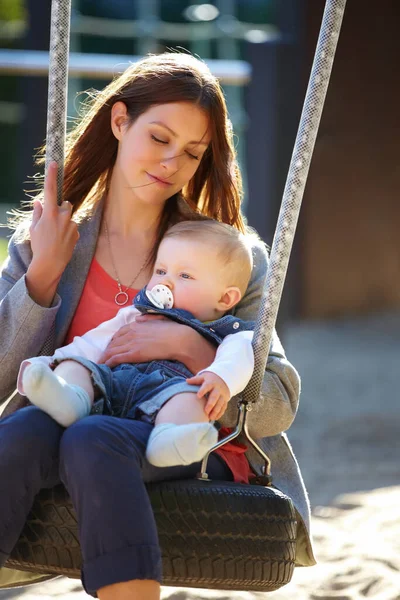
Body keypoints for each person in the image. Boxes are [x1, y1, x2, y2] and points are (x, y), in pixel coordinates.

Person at [0, 52, 315, 599]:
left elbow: (279, 402)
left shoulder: (226, 259)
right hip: (61, 441)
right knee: (23, 431)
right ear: (120, 122)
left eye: (192, 153)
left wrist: (194, 350)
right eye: (159, 138)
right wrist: (43, 278)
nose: (171, 162)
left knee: (94, 437)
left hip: (174, 447)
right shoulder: (49, 243)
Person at [18, 219, 257, 468]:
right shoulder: (137, 314)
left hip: (167, 393)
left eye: (185, 275)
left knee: (193, 400)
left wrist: (221, 378)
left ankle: (168, 441)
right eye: (161, 271)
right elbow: (93, 343)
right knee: (78, 365)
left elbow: (240, 358)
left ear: (225, 297)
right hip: (112, 384)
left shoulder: (231, 334)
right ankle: (70, 398)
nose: (167, 282)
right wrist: (50, 362)